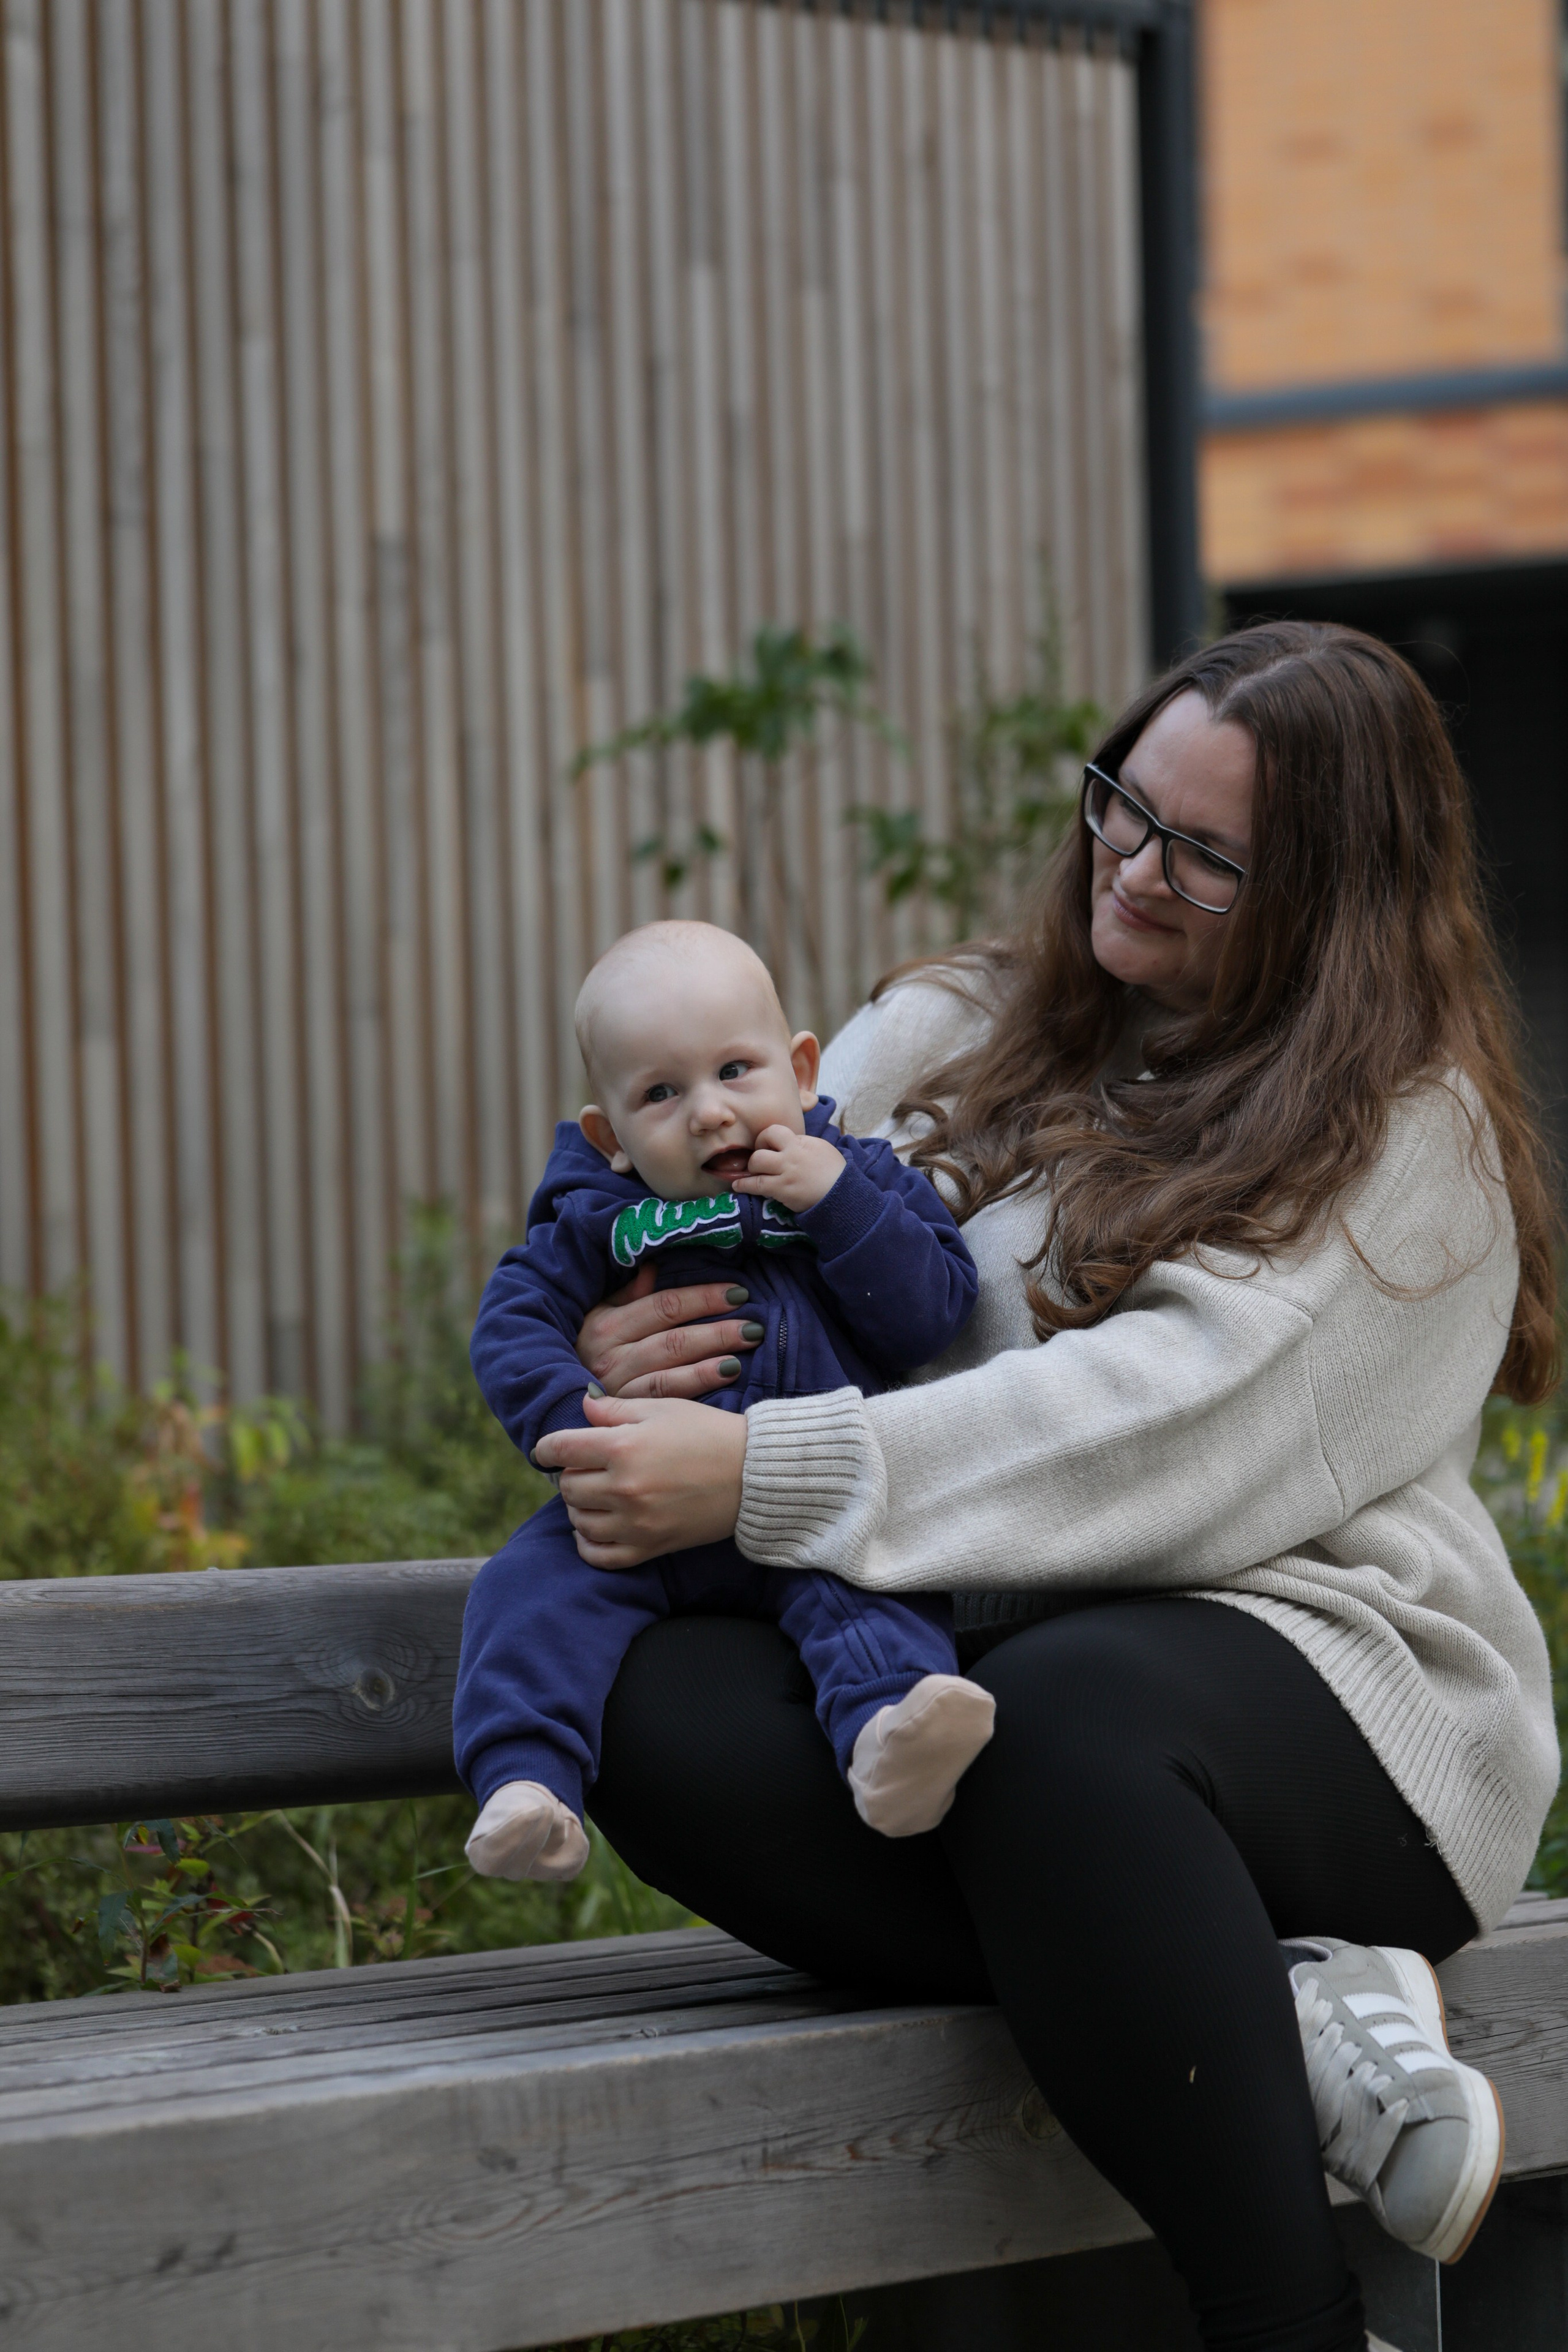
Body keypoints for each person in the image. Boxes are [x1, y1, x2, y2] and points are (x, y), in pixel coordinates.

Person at [532, 624, 1561, 2352]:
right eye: (1122, 808)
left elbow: (1163, 1431)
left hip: (1328, 1692)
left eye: (1206, 856)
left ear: (1334, 896)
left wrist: (767, 1468)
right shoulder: (953, 1025)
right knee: (646, 1698)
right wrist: (629, 1337)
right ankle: (1268, 1995)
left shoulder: (1405, 1132)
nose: (1133, 870)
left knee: (1056, 1723)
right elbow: (712, 1214)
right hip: (966, 1667)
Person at [455, 922, 994, 1886]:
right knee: (528, 1590)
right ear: (610, 1139)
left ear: (801, 1071)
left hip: (810, 1506)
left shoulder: (862, 1179)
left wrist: (839, 1204)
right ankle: (527, 1782)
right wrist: (581, 1432)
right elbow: (512, 1323)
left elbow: (934, 1315)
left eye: (735, 1071)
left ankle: (888, 1737)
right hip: (643, 1516)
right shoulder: (596, 1221)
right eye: (661, 1094)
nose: (710, 1113)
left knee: (877, 1590)